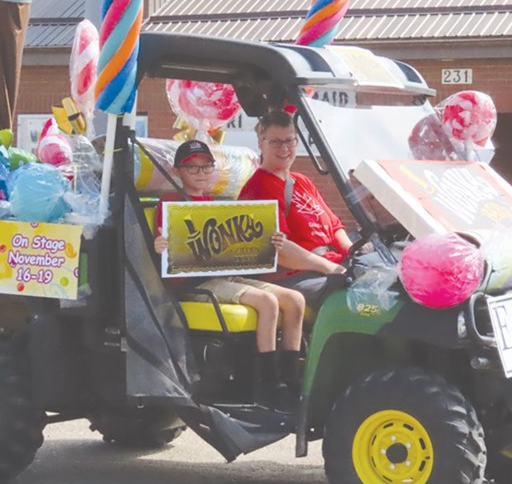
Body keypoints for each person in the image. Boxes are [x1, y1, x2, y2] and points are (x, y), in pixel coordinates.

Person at [153, 139, 304, 411]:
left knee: (295, 301)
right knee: (267, 302)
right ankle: (266, 385)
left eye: (206, 167)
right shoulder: (172, 202)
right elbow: (162, 241)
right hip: (195, 283)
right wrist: (160, 244)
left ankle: (289, 381)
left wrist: (271, 240)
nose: (200, 173)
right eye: (192, 168)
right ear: (177, 172)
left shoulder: (219, 204)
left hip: (227, 275)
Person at [238, 109, 369, 299]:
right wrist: (331, 268)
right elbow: (278, 250)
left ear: (297, 142)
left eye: (289, 141)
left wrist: (355, 253)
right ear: (261, 144)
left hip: (330, 267)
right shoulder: (258, 188)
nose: (284, 149)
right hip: (296, 275)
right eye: (275, 142)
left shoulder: (301, 181)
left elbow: (334, 227)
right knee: (353, 301)